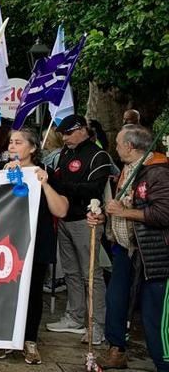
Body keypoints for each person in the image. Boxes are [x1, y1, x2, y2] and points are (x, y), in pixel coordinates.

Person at [0, 129, 69, 364]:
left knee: (33, 293)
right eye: (11, 142)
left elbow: (61, 210)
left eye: (19, 142)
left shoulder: (44, 173)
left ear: (33, 148)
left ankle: (29, 341)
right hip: (6, 245)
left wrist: (43, 184)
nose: (12, 146)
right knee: (4, 291)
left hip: (36, 242)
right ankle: (4, 339)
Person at [94, 125, 169, 371]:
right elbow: (121, 207)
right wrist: (105, 218)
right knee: (116, 300)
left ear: (130, 146)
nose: (114, 147)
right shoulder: (127, 169)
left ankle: (163, 362)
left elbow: (163, 214)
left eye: (117, 143)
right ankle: (117, 349)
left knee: (152, 313)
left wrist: (124, 212)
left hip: (152, 253)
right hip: (124, 249)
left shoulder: (157, 173)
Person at [45, 115, 114, 344]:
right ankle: (74, 317)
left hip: (87, 221)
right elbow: (57, 181)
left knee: (91, 275)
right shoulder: (65, 153)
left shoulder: (98, 155)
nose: (64, 138)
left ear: (82, 130)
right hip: (65, 219)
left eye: (68, 133)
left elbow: (93, 188)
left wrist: (63, 186)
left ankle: (97, 325)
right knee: (71, 272)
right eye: (62, 134)